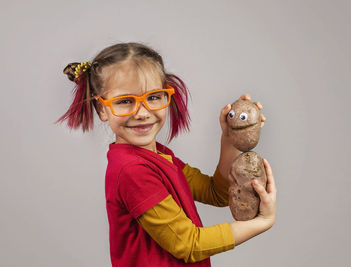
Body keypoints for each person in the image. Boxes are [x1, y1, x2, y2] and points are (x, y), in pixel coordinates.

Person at [56, 42, 277, 267]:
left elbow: (215, 193)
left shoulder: (159, 156)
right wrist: (263, 222)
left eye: (153, 97)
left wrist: (229, 137)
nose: (142, 113)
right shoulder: (133, 171)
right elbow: (188, 244)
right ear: (101, 109)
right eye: (124, 101)